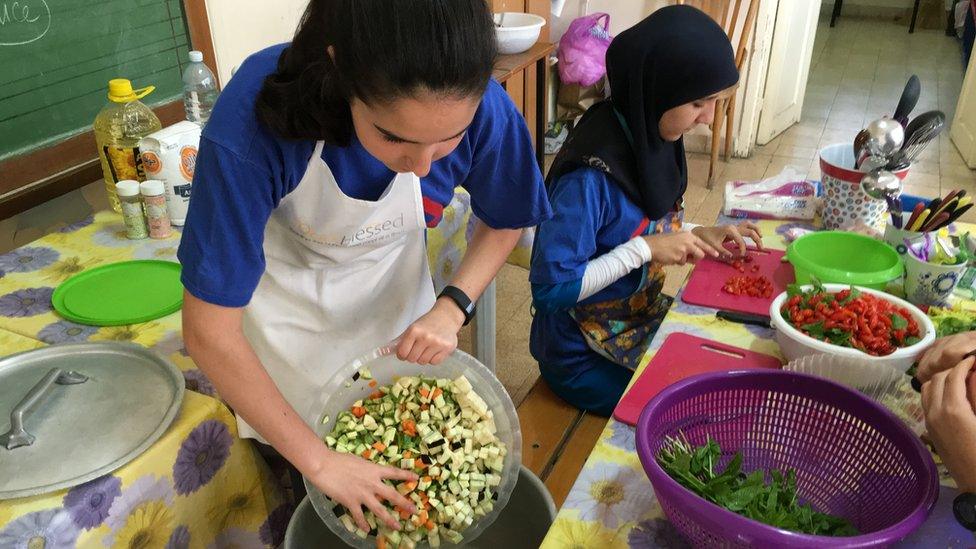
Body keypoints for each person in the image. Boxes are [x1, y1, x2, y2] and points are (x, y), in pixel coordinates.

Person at [177, 0, 550, 533]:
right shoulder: (254, 121)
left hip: (399, 333)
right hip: (289, 347)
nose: (423, 166)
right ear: (339, 69)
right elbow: (209, 330)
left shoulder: (475, 101)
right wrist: (322, 462)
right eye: (394, 137)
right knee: (303, 490)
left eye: (449, 140)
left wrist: (452, 306)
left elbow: (507, 218)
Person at [528, 5, 762, 416]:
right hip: (582, 354)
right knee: (697, 410)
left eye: (715, 102)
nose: (708, 119)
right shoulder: (588, 177)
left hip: (637, 317)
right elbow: (551, 291)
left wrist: (696, 230)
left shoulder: (650, 133)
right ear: (659, 89)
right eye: (698, 103)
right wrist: (646, 250)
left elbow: (636, 222)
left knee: (732, 363)